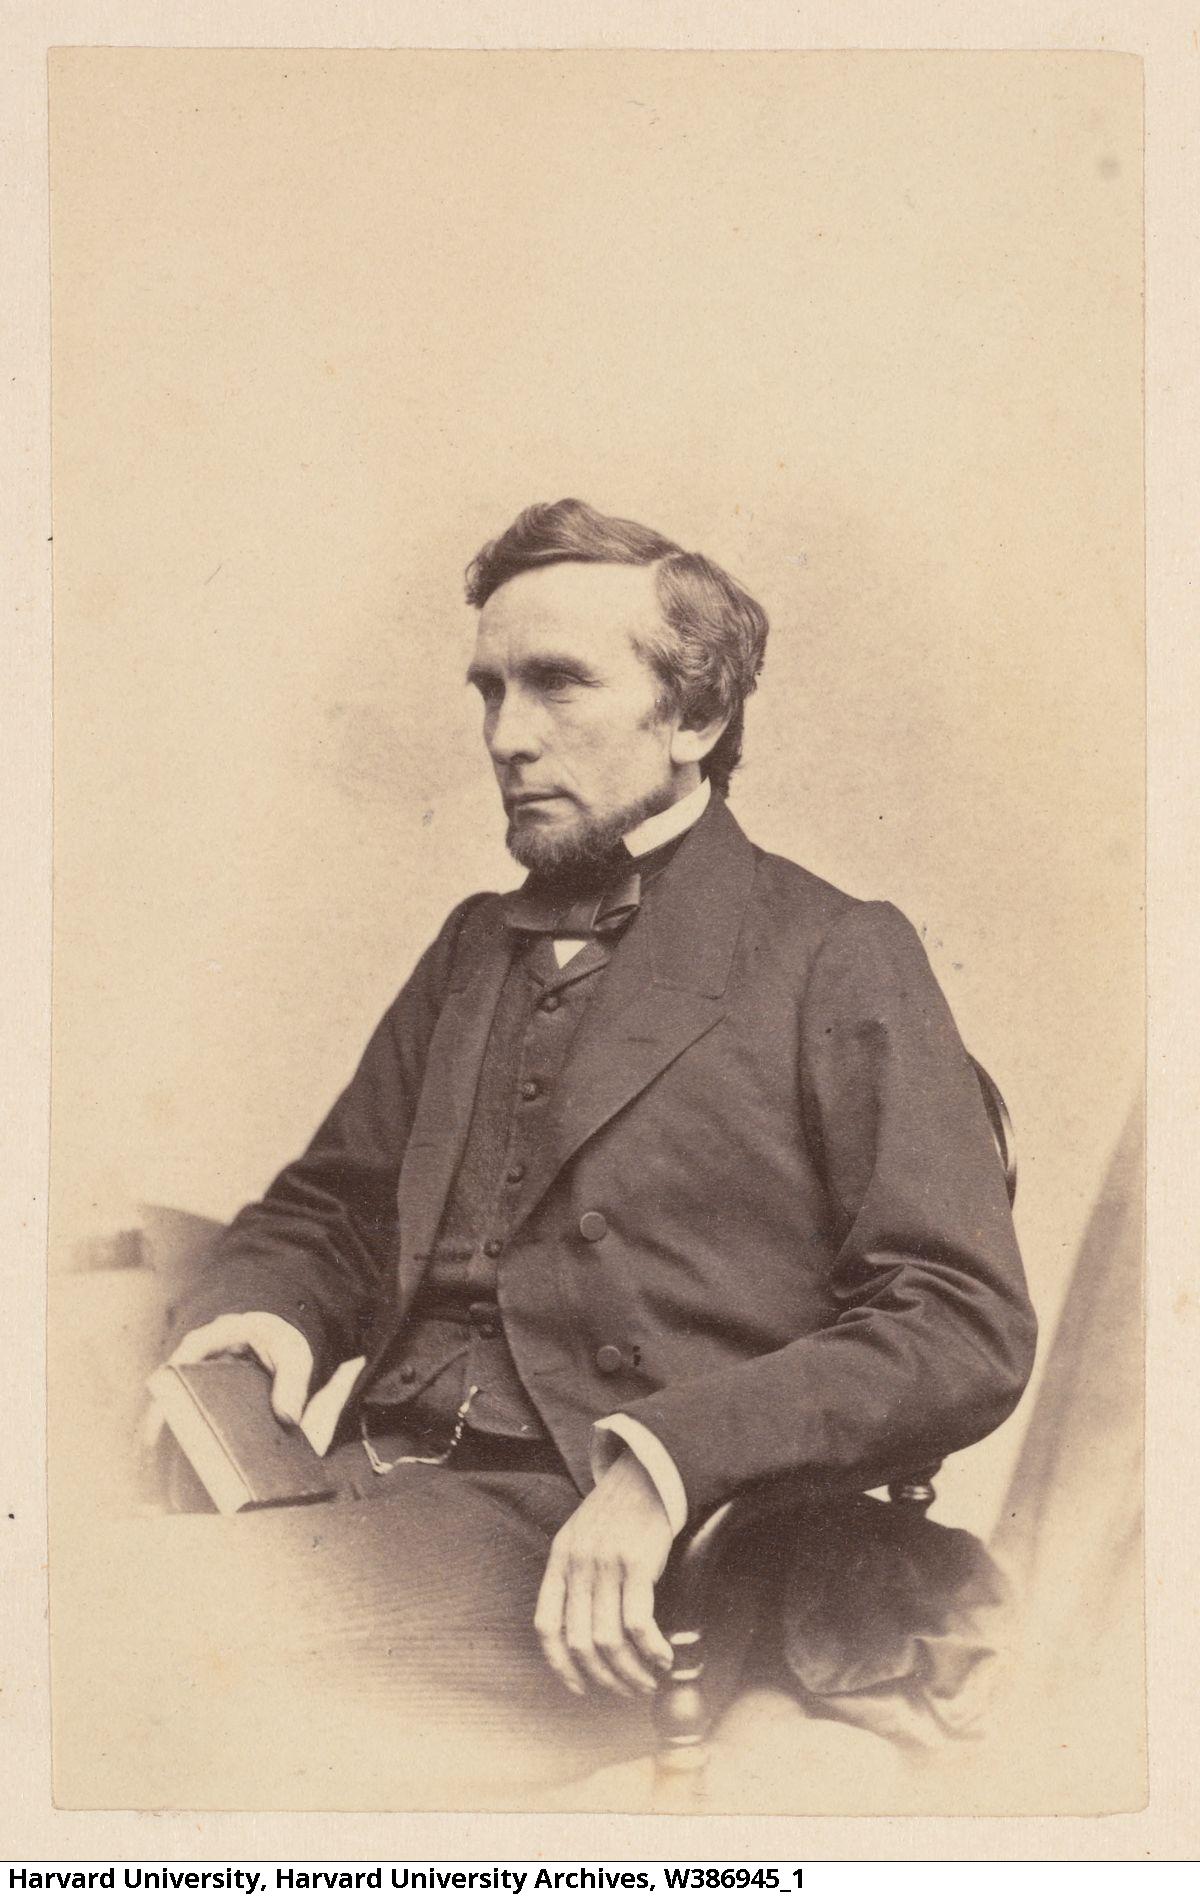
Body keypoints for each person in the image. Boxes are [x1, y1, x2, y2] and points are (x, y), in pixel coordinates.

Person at [158, 498, 1036, 1796]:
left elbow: (958, 1319)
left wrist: (665, 1463)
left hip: (607, 1554)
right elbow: (335, 1211)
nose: (507, 737)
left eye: (559, 685)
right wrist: (249, 1343)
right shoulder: (473, 946)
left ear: (696, 718)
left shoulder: (835, 952)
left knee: (146, 1653)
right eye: (491, 690)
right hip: (356, 1496)